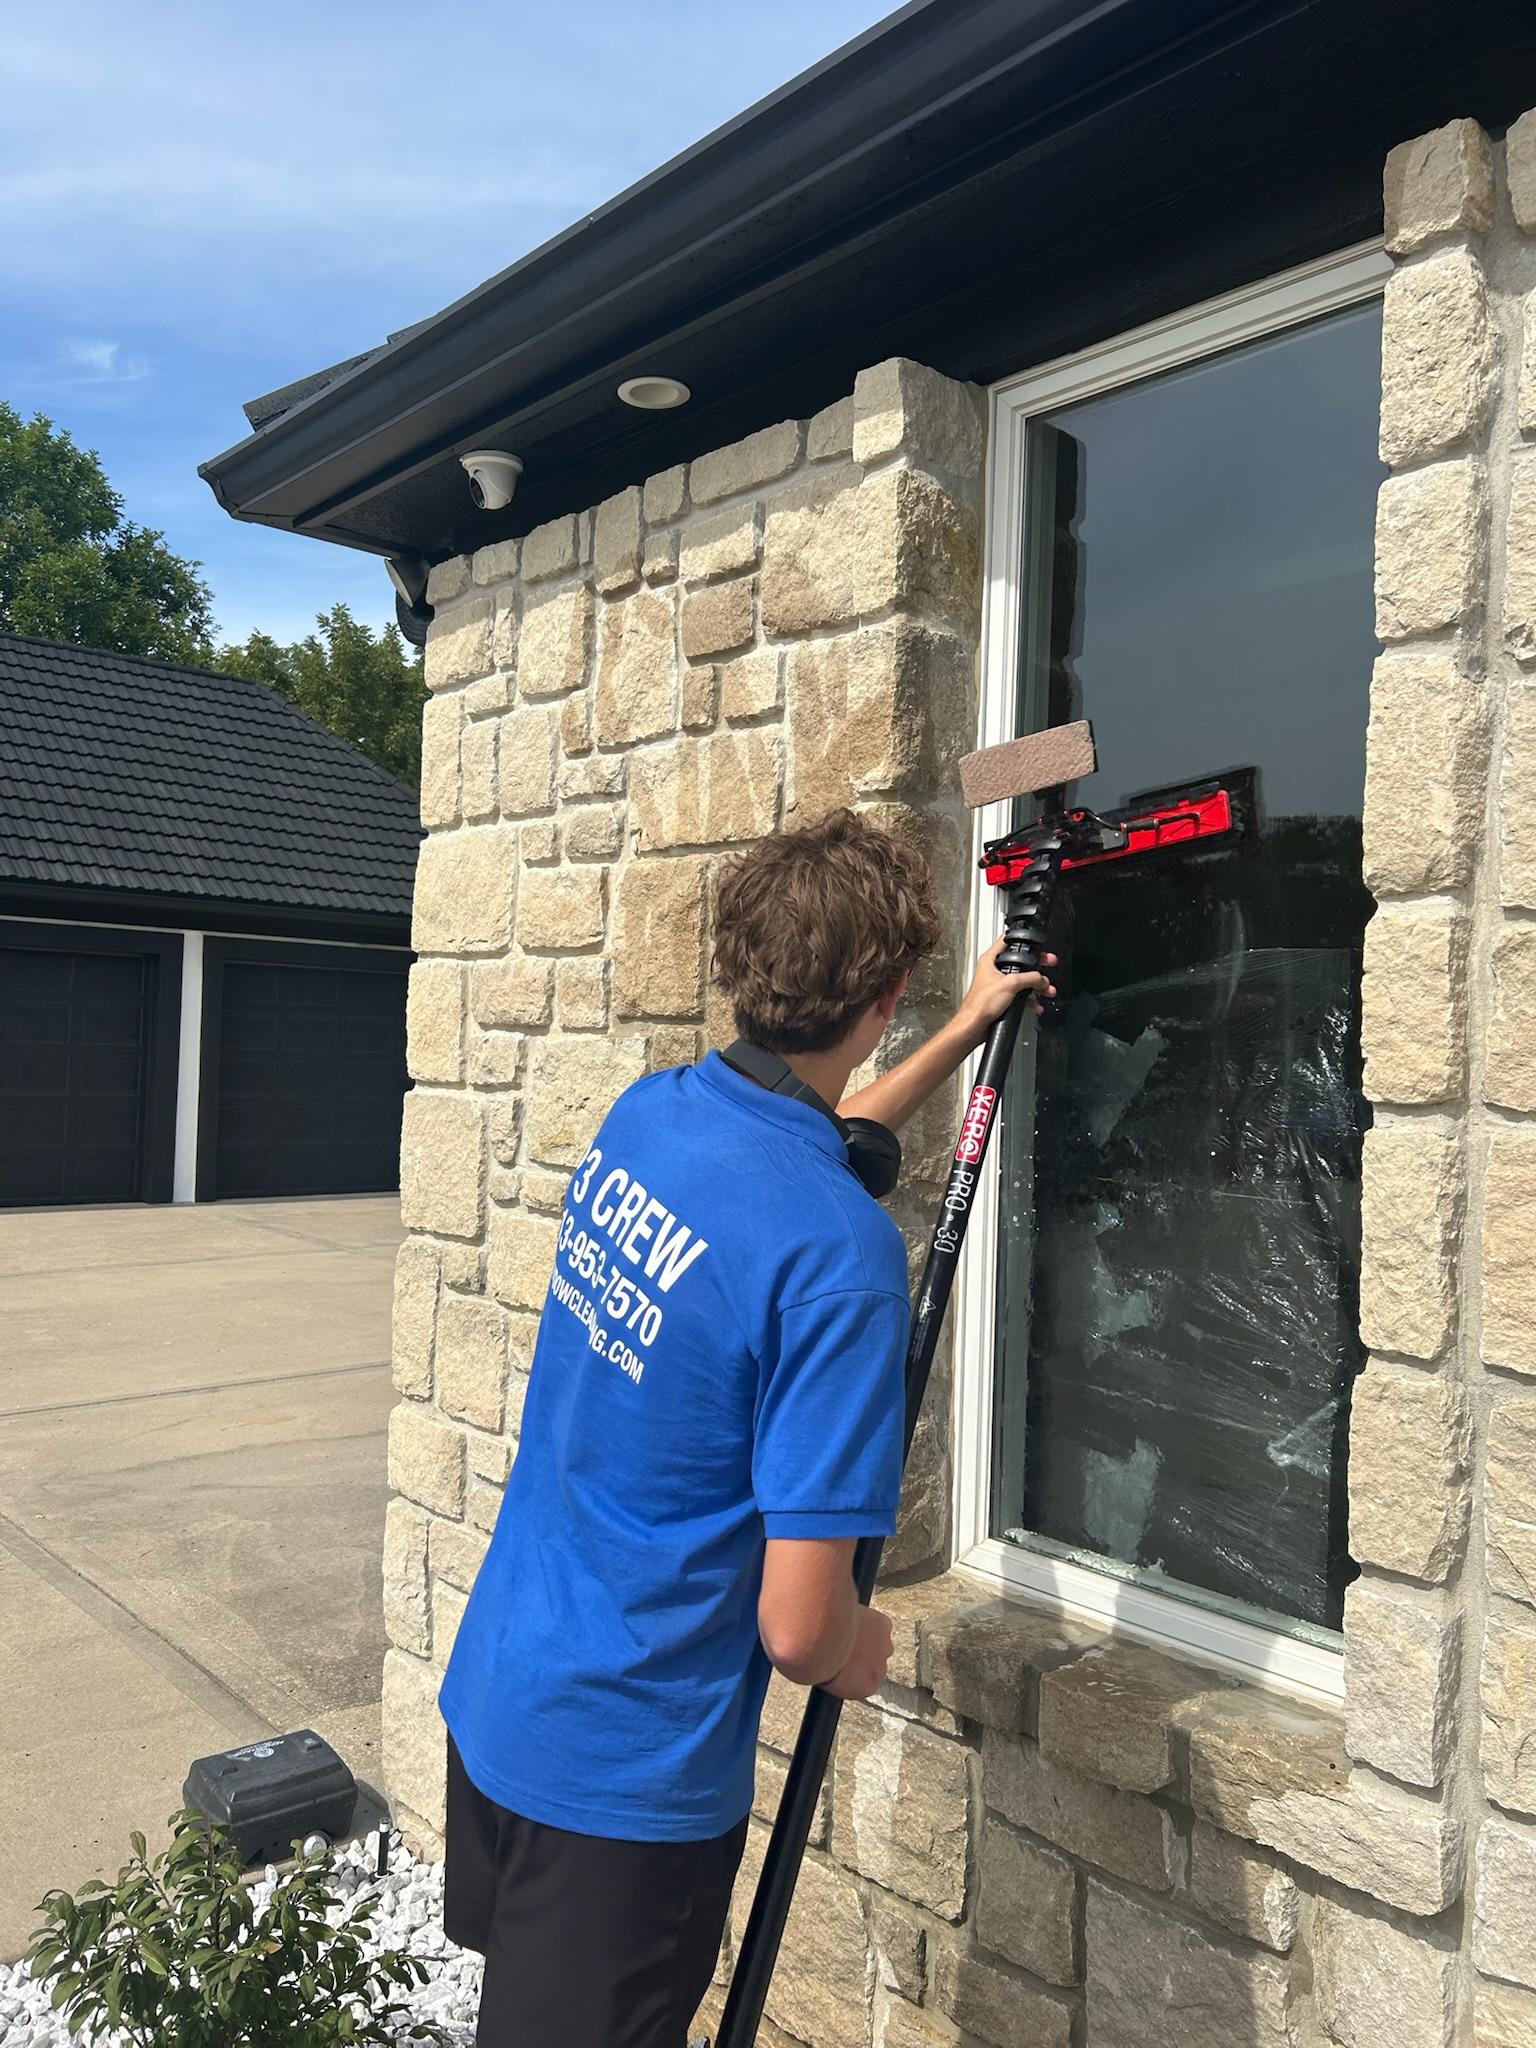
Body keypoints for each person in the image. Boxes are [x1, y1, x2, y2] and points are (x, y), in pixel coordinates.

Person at [438, 806, 1053, 2048]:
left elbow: (816, 1138)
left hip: (505, 1693)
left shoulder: (653, 1117)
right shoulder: (841, 1258)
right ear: (881, 996)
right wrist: (859, 1644)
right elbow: (796, 1626)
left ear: (743, 967)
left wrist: (971, 1024)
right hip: (626, 1783)